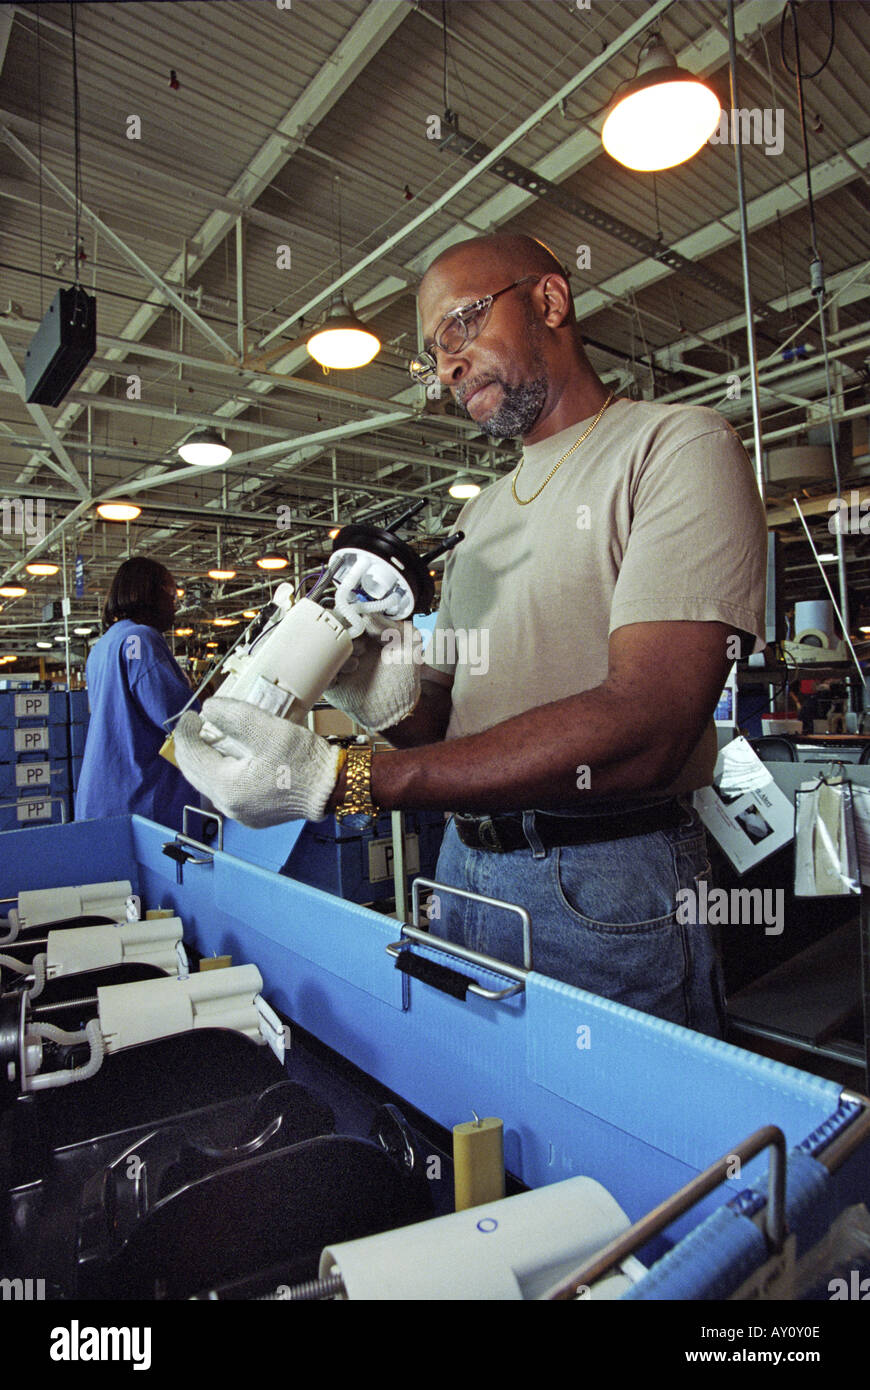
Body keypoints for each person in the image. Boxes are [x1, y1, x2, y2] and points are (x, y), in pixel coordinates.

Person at [173, 232, 768, 1036]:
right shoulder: (478, 514)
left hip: (601, 880)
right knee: (477, 1133)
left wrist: (344, 780)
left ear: (549, 301)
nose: (447, 366)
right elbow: (444, 723)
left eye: (460, 327)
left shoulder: (676, 446)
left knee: (622, 1150)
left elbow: (651, 725)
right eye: (432, 354)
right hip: (461, 867)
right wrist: (378, 694)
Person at [75, 556, 200, 832]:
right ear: (150, 592)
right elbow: (180, 720)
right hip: (139, 804)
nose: (174, 604)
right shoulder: (140, 639)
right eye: (172, 593)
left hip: (102, 801)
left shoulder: (102, 646)